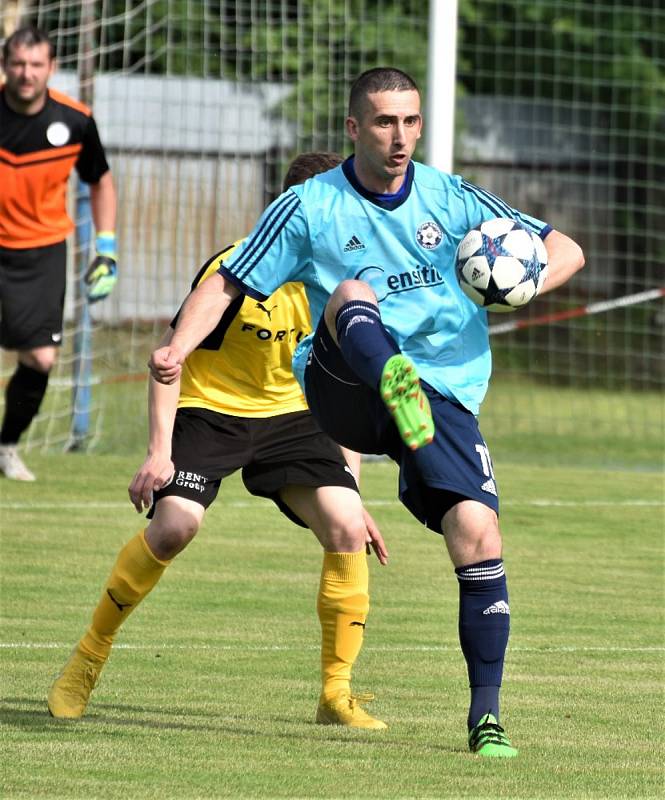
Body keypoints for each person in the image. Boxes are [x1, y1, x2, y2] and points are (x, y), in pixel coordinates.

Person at [149, 67, 585, 757]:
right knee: (351, 290)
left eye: (410, 121)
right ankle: (392, 376)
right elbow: (226, 281)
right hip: (344, 384)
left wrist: (519, 285)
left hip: (439, 395)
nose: (400, 136)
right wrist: (177, 345)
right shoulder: (307, 207)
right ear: (353, 128)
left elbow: (564, 249)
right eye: (384, 122)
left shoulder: (450, 197)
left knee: (477, 534)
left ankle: (486, 720)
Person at [47, 151, 390, 730]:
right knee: (176, 524)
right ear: (292, 212)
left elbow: (344, 386)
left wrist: (352, 491)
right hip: (211, 410)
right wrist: (159, 450)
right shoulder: (234, 269)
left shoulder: (342, 285)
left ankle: (336, 695)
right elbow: (168, 358)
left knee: (346, 526)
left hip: (294, 417)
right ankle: (87, 660)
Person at [0, 26, 118, 481]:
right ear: (6, 66)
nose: (26, 73)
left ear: (50, 68)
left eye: (35, 65)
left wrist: (106, 248)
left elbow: (100, 181)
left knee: (41, 360)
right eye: (17, 63)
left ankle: (6, 446)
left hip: (42, 248)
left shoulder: (75, 121)